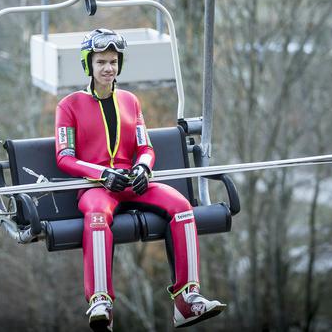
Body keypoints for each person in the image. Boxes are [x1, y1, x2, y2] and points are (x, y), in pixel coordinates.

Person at [55, 28, 226, 331]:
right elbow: (65, 157)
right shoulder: (69, 106)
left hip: (132, 184)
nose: (108, 68)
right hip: (97, 188)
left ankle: (187, 300)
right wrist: (102, 174)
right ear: (88, 65)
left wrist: (143, 168)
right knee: (96, 217)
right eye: (101, 62)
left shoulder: (131, 101)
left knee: (182, 205)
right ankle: (100, 301)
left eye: (113, 61)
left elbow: (144, 146)